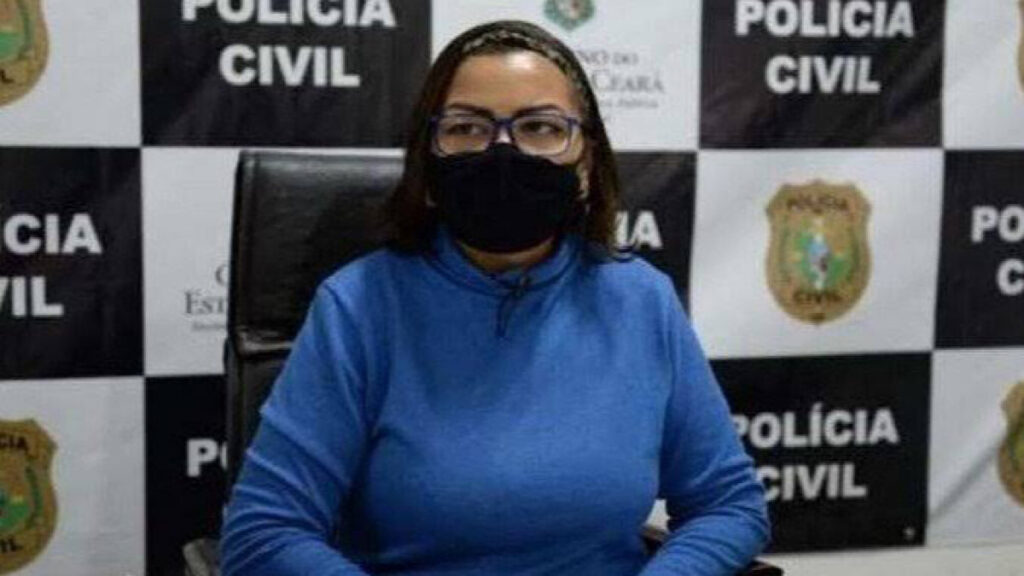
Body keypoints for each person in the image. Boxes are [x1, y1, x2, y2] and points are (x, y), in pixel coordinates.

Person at [219, 20, 770, 576]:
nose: (503, 152)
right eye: (466, 127)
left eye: (539, 127)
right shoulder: (359, 307)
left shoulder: (640, 300)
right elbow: (263, 533)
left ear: (585, 162)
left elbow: (729, 505)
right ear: (428, 160)